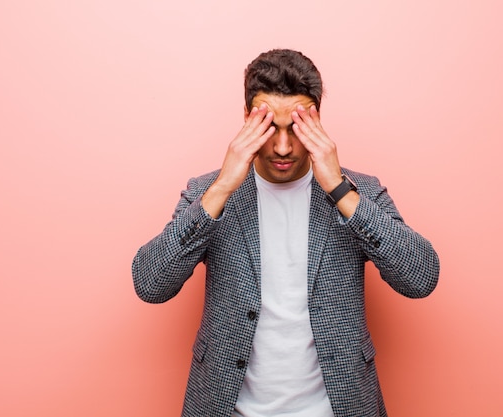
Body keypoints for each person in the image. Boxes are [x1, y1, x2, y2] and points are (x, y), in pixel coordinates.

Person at [132, 48, 440, 417]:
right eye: (269, 128)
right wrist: (221, 189)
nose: (282, 147)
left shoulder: (359, 191)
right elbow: (149, 284)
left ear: (317, 120)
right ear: (247, 118)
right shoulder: (208, 192)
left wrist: (339, 190)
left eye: (295, 128)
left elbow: (421, 278)